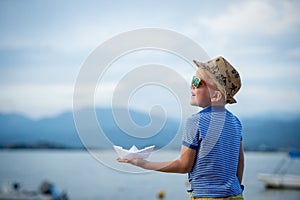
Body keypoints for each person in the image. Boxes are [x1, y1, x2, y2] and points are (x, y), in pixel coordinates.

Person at [117, 56, 244, 200]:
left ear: (215, 95)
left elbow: (184, 166)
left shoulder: (196, 121)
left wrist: (144, 164)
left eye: (197, 82)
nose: (191, 86)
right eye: (192, 80)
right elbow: (239, 163)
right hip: (236, 195)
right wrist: (234, 189)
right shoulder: (235, 122)